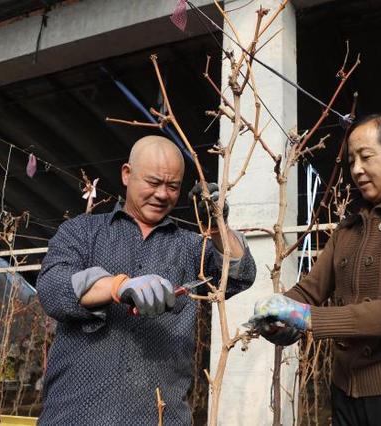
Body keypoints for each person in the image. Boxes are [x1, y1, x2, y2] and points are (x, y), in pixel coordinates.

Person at [250, 114, 381, 425]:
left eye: (366, 157)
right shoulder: (349, 229)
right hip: (348, 391)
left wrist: (308, 318)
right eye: (351, 160)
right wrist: (274, 314)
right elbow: (310, 290)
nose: (357, 169)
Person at [37, 135, 256, 425]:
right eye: (153, 183)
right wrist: (118, 286)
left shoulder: (190, 248)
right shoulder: (82, 232)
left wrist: (218, 225)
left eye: (173, 186)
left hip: (160, 416)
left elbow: (240, 275)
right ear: (127, 174)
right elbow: (53, 288)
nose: (163, 194)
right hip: (75, 413)